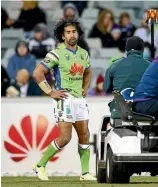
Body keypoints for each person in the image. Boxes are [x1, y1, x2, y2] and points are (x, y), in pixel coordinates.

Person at [32, 18, 95, 181]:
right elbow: (38, 73)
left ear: (78, 34)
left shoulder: (84, 53)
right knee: (65, 138)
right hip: (65, 100)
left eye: (74, 31)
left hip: (80, 100)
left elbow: (88, 71)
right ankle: (40, 165)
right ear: (62, 36)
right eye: (68, 32)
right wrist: (51, 92)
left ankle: (85, 173)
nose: (72, 34)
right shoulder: (56, 53)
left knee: (85, 136)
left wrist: (85, 87)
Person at [104, 36, 150, 118]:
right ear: (142, 50)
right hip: (144, 111)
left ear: (126, 50)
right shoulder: (150, 66)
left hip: (119, 111)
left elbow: (106, 88)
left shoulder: (114, 65)